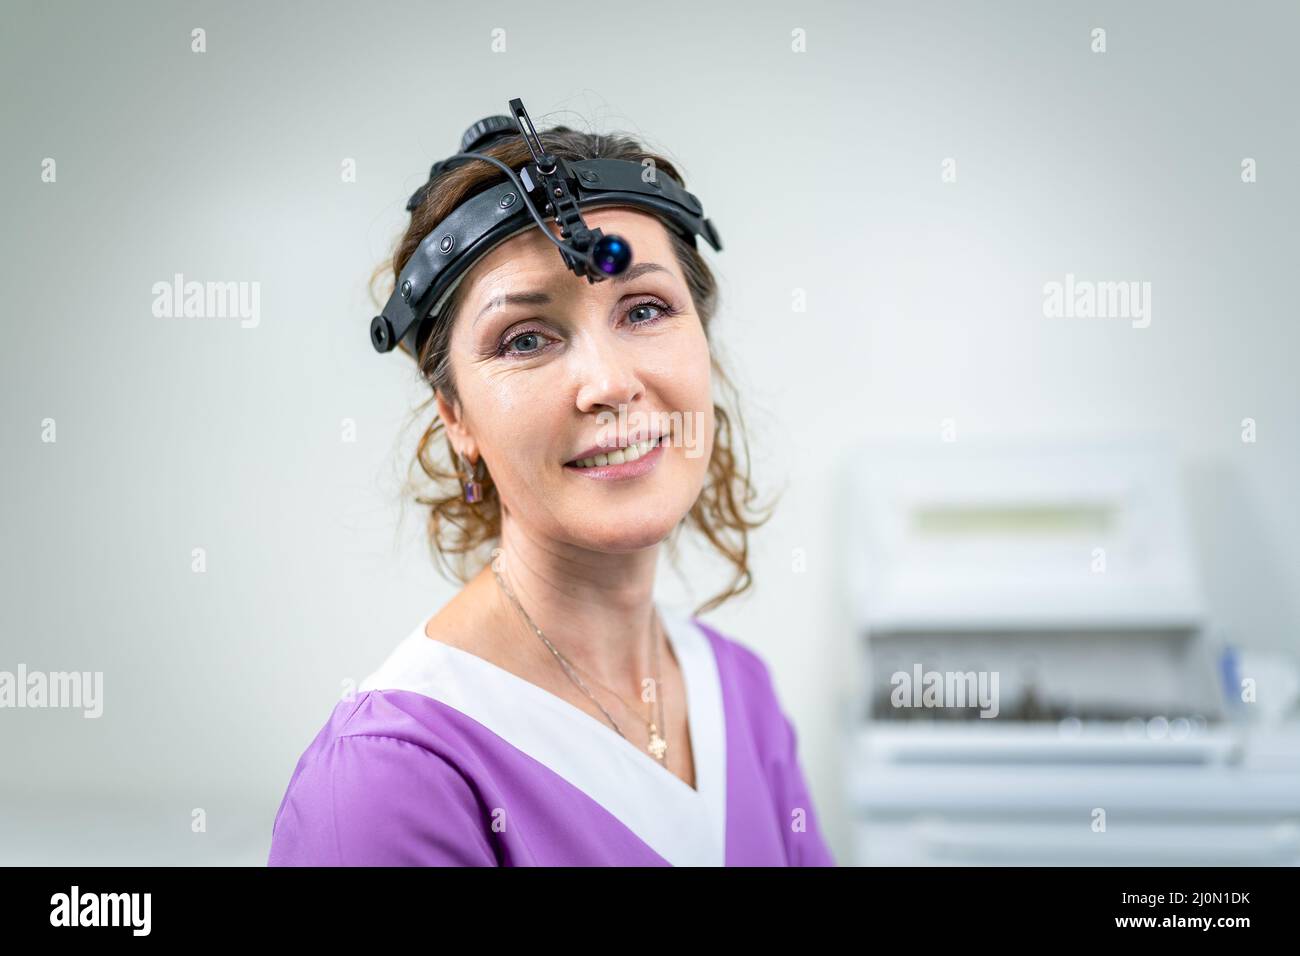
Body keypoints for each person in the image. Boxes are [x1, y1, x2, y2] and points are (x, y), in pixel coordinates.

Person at [267, 121, 834, 866]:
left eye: (644, 309)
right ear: (456, 415)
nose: (609, 384)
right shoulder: (389, 780)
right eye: (526, 339)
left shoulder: (740, 696)